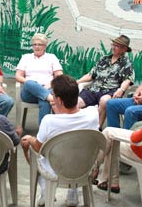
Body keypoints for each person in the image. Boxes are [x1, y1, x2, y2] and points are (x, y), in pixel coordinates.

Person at [20, 74, 99, 207]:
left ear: (60, 101)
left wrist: (31, 139)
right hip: (84, 166)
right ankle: (73, 192)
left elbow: (39, 148)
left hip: (56, 169)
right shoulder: (92, 114)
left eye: (53, 95)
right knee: (76, 150)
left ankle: (45, 191)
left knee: (29, 145)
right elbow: (72, 120)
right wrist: (61, 113)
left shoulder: (49, 121)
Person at [77, 35, 134, 129]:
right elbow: (91, 75)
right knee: (76, 103)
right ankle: (78, 127)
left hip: (111, 91)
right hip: (94, 89)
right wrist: (77, 81)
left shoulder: (126, 62)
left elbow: (128, 79)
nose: (113, 47)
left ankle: (97, 128)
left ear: (124, 49)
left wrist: (121, 89)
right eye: (113, 44)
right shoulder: (104, 59)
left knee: (104, 101)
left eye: (117, 46)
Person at [15, 33, 63, 124]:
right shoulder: (26, 57)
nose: (37, 47)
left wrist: (51, 84)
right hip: (29, 93)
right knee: (30, 83)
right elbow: (18, 76)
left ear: (45, 46)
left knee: (44, 100)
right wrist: (33, 85)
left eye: (40, 44)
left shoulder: (51, 57)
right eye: (35, 44)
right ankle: (50, 98)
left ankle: (42, 131)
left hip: (48, 88)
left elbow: (59, 75)